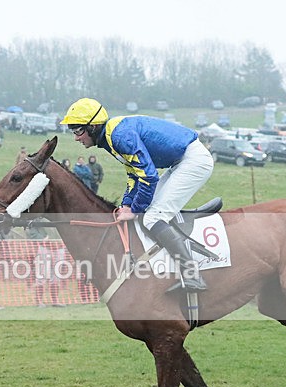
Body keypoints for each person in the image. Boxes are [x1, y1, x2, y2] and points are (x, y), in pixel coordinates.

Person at [61, 97, 214, 291]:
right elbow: (134, 174)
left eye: (78, 131)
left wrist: (135, 209)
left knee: (151, 217)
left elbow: (149, 177)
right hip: (181, 160)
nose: (76, 137)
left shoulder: (118, 137)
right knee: (150, 211)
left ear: (92, 127)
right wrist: (126, 204)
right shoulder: (110, 136)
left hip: (192, 160)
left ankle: (193, 275)